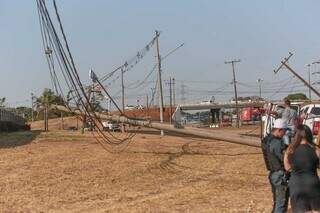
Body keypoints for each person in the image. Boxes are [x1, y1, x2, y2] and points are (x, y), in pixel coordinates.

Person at [284, 125, 320, 213]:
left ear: (296, 135)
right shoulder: (316, 149)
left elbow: (287, 168)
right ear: (309, 135)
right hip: (313, 184)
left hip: (296, 185)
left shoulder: (289, 150)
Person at [261, 119, 290, 213]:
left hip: (274, 173)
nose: (284, 134)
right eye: (284, 131)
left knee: (277, 202)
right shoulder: (276, 142)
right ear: (279, 130)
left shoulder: (267, 139)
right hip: (279, 175)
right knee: (281, 204)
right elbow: (283, 158)